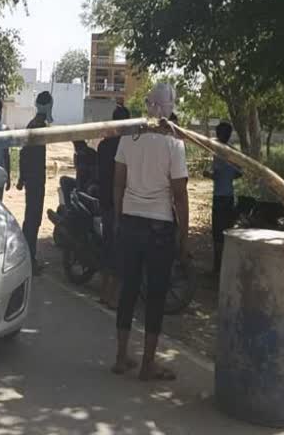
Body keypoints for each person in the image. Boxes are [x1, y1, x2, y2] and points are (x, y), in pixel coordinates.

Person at [111, 82, 189, 380]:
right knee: (155, 295)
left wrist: (119, 218)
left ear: (148, 104)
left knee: (128, 290)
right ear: (168, 107)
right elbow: (180, 194)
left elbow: (118, 182)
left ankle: (121, 357)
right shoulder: (174, 144)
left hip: (130, 222)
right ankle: (147, 364)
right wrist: (183, 236)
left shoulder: (130, 137)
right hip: (159, 228)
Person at [98, 105, 131, 308]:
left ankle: (104, 293)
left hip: (105, 202)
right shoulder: (127, 146)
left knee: (108, 247)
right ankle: (114, 296)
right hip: (121, 203)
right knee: (121, 251)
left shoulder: (104, 145)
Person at [17, 91, 53, 276]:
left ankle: (29, 258)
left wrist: (22, 178)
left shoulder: (36, 124)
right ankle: (28, 260)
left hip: (33, 179)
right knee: (33, 220)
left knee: (32, 219)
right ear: (48, 106)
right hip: (35, 180)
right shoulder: (38, 126)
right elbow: (25, 154)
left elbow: (24, 153)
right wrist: (22, 178)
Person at [203, 121, 242, 276]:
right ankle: (223, 268)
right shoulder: (233, 152)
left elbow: (218, 174)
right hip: (229, 196)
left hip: (220, 197)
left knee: (218, 234)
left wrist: (210, 175)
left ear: (220, 135)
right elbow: (240, 173)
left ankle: (217, 269)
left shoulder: (219, 153)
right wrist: (229, 175)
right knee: (226, 232)